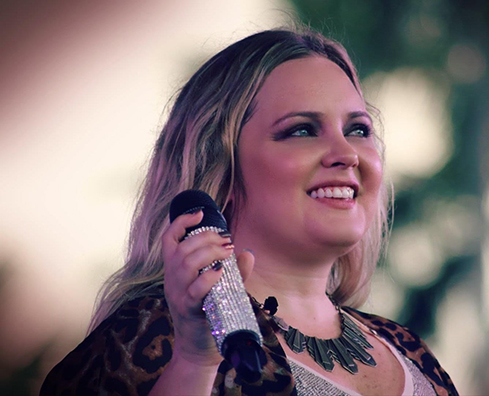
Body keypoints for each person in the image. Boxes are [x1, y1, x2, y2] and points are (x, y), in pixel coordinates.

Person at [41, 28, 458, 396]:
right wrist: (193, 361)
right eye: (301, 130)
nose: (346, 153)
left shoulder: (407, 349)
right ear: (220, 166)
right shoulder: (147, 336)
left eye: (358, 129)